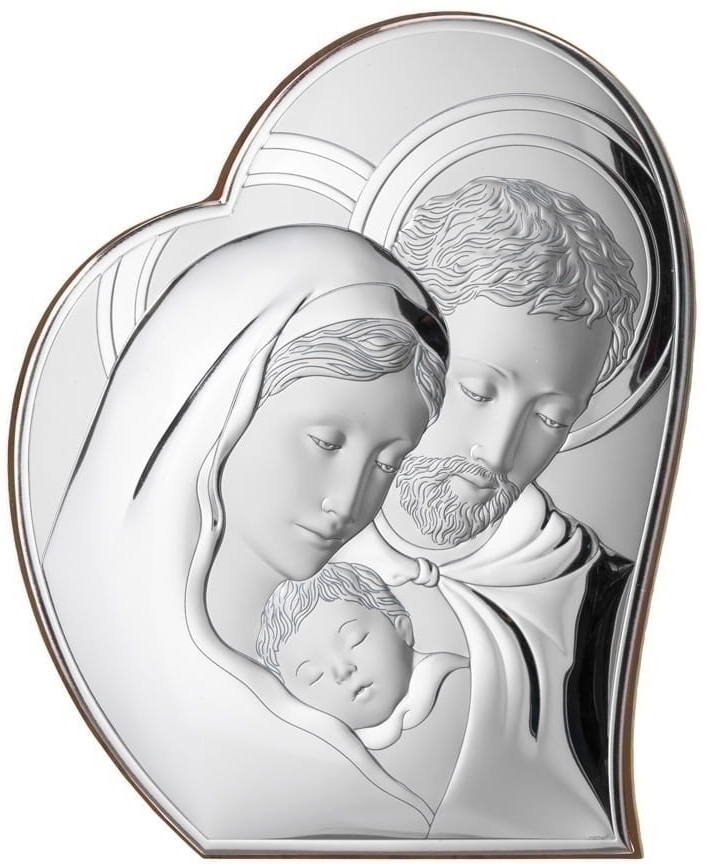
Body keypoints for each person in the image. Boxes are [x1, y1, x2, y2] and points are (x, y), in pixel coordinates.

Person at [42, 225, 449, 841]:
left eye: (388, 463)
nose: (347, 501)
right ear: (221, 412)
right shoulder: (68, 656)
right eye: (325, 442)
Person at [340, 177, 640, 839]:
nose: (497, 452)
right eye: (476, 391)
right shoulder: (280, 542)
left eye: (550, 419)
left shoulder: (607, 603)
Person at [256, 561, 468, 744]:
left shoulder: (455, 681)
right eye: (314, 676)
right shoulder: (334, 750)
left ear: (402, 628)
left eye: (355, 640)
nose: (343, 671)